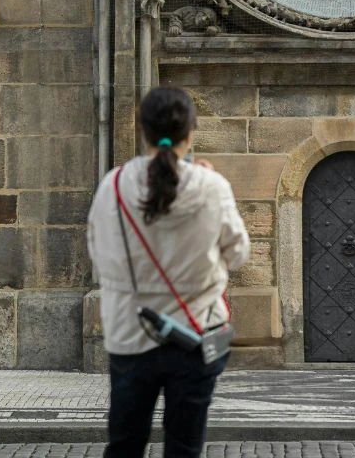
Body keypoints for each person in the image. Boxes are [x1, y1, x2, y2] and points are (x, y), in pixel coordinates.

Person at [88, 87, 250, 458]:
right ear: (190, 133)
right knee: (184, 448)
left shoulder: (112, 186)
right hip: (195, 334)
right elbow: (238, 253)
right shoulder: (212, 187)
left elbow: (98, 254)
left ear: (143, 131)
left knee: (125, 445)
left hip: (131, 332)